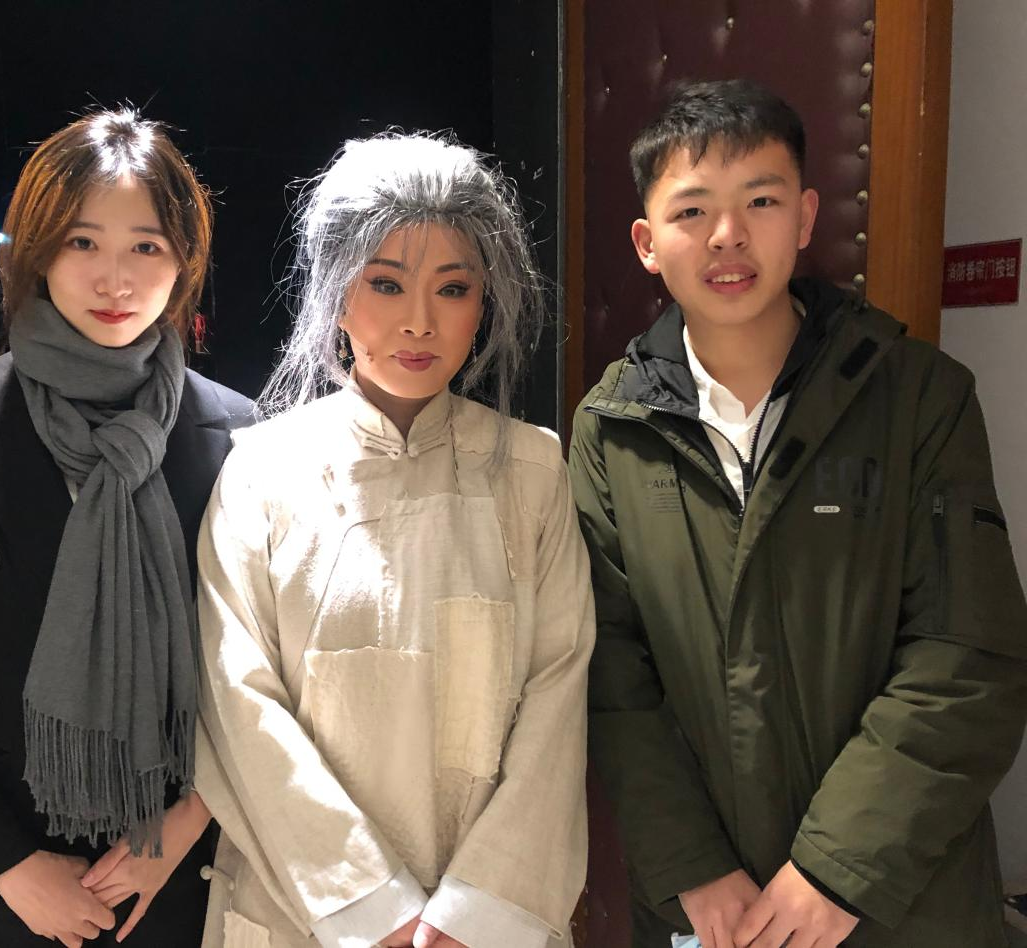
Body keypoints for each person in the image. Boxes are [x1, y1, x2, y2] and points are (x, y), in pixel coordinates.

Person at [569, 79, 1027, 948]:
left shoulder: (918, 395)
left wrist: (835, 871)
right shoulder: (610, 428)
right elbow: (610, 674)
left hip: (900, 899)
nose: (728, 235)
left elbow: (966, 655)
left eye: (761, 200)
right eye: (692, 210)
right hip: (708, 911)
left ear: (807, 216)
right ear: (647, 243)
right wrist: (693, 867)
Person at [0, 108, 254, 947]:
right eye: (82, 242)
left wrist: (176, 831)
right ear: (35, 252)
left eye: (146, 245)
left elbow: (258, 671)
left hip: (173, 876)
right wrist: (6, 865)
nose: (116, 279)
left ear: (183, 261)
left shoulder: (236, 434)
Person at [192, 132, 592, 948]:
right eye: (385, 283)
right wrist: (372, 908)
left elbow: (559, 697)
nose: (419, 321)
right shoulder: (262, 472)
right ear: (336, 294)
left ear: (483, 304)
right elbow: (236, 704)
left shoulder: (531, 472)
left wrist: (476, 914)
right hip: (297, 912)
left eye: (454, 288)